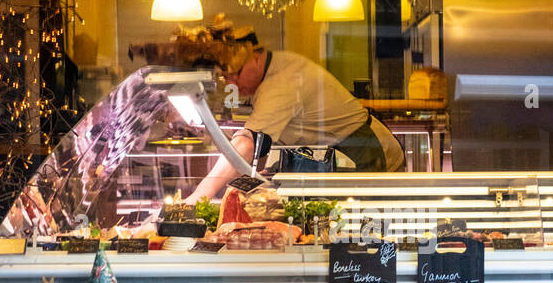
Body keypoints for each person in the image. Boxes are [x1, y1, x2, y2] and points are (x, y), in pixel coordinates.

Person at [173, 17, 406, 203]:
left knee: (364, 234)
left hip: (364, 151)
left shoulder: (283, 81)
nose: (232, 84)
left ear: (256, 57)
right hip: (331, 154)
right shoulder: (273, 70)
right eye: (226, 77)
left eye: (236, 74)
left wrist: (199, 196)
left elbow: (246, 145)